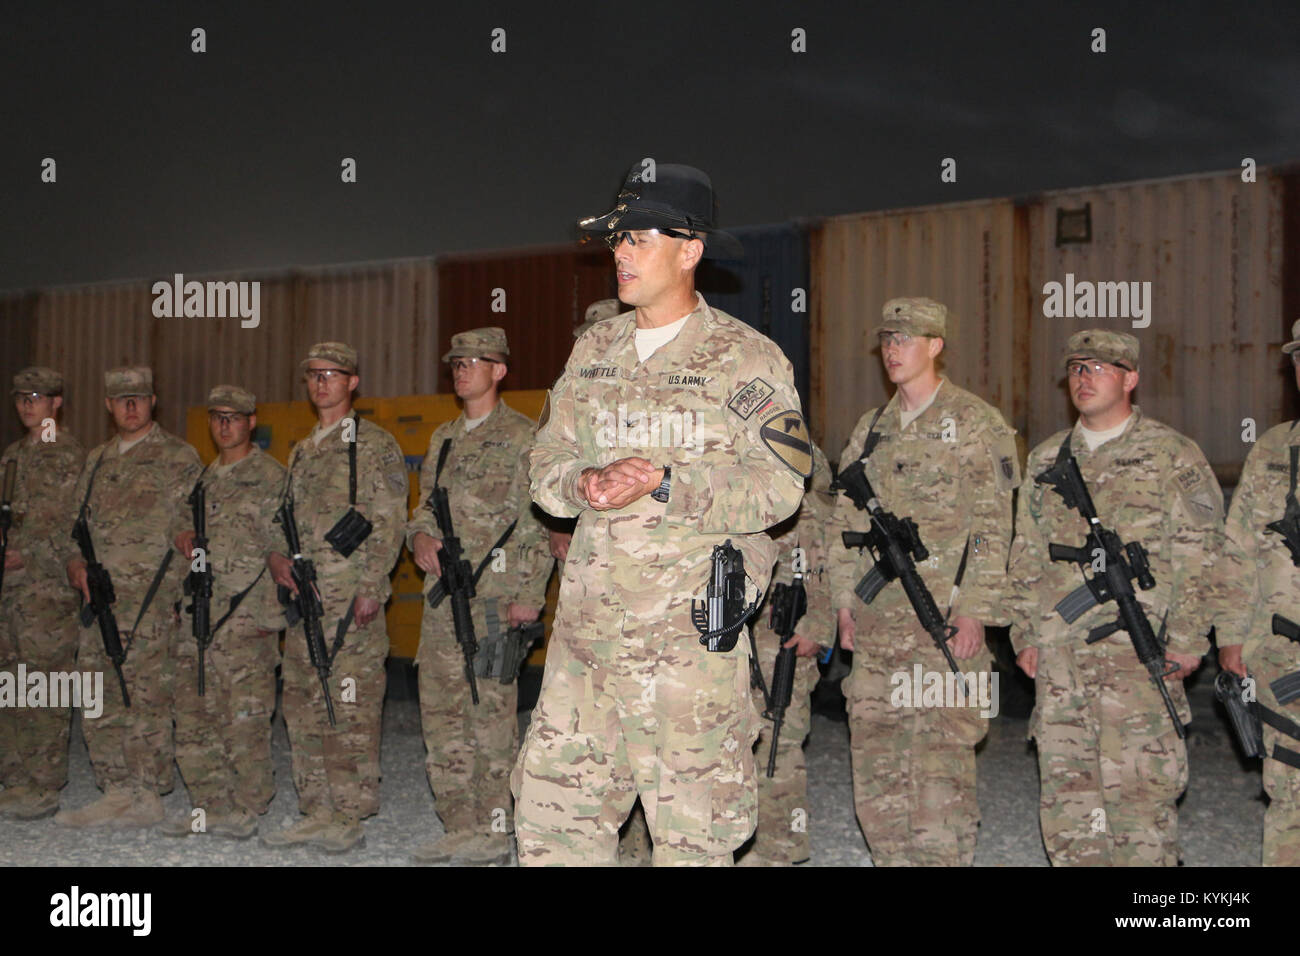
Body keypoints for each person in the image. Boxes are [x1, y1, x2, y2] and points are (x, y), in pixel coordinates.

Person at [513, 162, 809, 865]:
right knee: (554, 825)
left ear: (690, 249)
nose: (620, 253)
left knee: (693, 840)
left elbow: (781, 487)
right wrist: (583, 484)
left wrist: (668, 484)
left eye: (639, 238)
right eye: (617, 239)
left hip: (685, 653)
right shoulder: (593, 350)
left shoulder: (744, 358)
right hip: (586, 644)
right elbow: (543, 464)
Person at [1009, 329, 1223, 866]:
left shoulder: (1173, 455)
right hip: (1061, 661)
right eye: (1077, 367)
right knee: (1068, 804)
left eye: (1099, 368)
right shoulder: (1045, 459)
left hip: (1139, 661)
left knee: (1141, 805)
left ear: (1131, 379)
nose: (1084, 377)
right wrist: (1024, 633)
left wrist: (1191, 639)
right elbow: (1024, 555)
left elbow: (1203, 553)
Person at [828, 297, 1020, 866]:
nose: (892, 349)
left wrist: (976, 611)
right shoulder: (871, 429)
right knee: (879, 782)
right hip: (879, 630)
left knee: (938, 782)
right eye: (886, 338)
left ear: (935, 346)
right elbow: (844, 526)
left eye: (905, 339)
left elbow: (993, 528)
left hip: (941, 631)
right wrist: (844, 604)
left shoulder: (977, 422)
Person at [407, 328, 552, 866]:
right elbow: (424, 506)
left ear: (500, 371)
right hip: (444, 600)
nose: (463, 369)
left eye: (476, 361)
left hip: (496, 597)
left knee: (489, 714)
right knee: (441, 713)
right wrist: (420, 537)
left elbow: (538, 522)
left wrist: (529, 595)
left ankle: (493, 830)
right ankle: (457, 824)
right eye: (457, 362)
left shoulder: (523, 436)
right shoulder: (443, 438)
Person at [262, 342, 407, 854]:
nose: (321, 383)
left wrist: (373, 587)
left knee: (350, 702)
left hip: (348, 601)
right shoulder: (303, 450)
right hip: (304, 599)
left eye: (333, 374)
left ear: (352, 383)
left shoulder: (372, 445)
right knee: (301, 702)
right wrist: (277, 558)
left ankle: (348, 811)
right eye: (314, 375)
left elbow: (390, 521)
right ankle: (315, 807)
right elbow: (284, 519)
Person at [57, 367, 202, 828]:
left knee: (146, 698)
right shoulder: (97, 461)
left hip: (150, 603)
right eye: (122, 400)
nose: (131, 407)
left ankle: (146, 793)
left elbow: (193, 532)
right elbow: (72, 530)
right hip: (98, 601)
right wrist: (75, 564)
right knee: (97, 694)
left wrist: (179, 592)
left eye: (138, 398)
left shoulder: (177, 456)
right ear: (108, 406)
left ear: (153, 400)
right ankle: (114, 789)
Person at [161, 385, 285, 840]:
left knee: (245, 718)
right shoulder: (202, 481)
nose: (224, 425)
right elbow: (183, 544)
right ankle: (208, 803)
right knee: (194, 714)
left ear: (251, 422)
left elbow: (284, 545)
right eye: (217, 417)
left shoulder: (271, 477)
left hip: (247, 620)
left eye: (233, 417)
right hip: (200, 617)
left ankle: (247, 805)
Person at [1215, 318, 1300, 866]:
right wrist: (1230, 636)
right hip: (1282, 661)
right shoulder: (1272, 450)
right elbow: (1237, 551)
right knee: (1288, 794)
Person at [740, 441, 835, 866]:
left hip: (785, 636)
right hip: (736, 635)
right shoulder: (727, 443)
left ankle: (782, 849)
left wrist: (819, 624)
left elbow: (824, 554)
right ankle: (741, 845)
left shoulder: (795, 446)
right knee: (735, 743)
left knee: (782, 738)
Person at [0, 368, 85, 820]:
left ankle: (43, 783)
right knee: (11, 682)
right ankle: (15, 777)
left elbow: (69, 524)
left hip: (46, 590)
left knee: (44, 686)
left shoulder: (69, 454)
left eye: (37, 396)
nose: (27, 404)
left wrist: (24, 553)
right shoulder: (13, 455)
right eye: (20, 397)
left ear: (57, 403)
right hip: (10, 591)